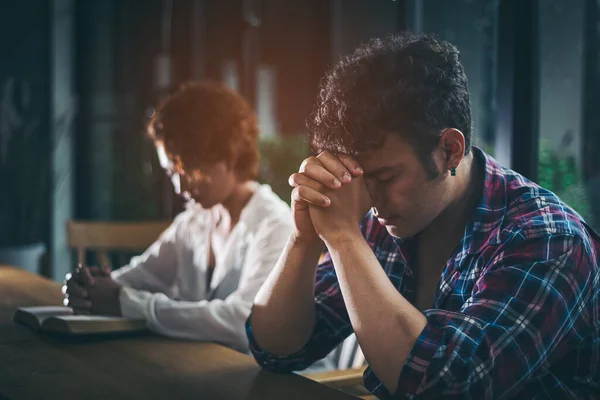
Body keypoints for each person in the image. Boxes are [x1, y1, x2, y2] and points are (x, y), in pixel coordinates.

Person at [246, 32, 600, 399]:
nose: (368, 198)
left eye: (385, 177)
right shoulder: (388, 221)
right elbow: (276, 349)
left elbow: (446, 386)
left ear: (449, 150)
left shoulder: (548, 240)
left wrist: (345, 238)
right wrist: (303, 239)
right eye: (360, 180)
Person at [64, 81, 292, 352]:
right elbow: (141, 276)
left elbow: (245, 324)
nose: (180, 188)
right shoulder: (197, 219)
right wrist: (91, 286)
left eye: (191, 171)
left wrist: (128, 303)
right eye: (172, 173)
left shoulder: (274, 225)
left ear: (229, 156)